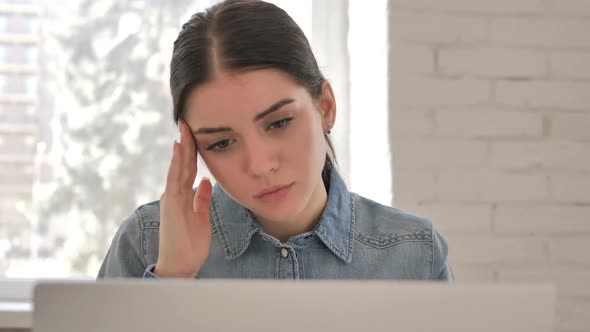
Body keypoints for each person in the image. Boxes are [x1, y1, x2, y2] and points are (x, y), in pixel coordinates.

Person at [97, 0, 453, 280]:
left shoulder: (414, 253)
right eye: (221, 143)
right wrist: (172, 280)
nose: (259, 165)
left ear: (325, 107)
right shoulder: (146, 244)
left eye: (279, 122)